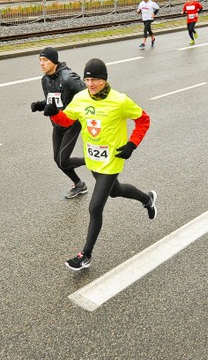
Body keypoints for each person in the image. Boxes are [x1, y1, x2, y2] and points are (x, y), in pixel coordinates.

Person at [45, 59, 156, 271]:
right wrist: (54, 113)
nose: (91, 84)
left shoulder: (120, 101)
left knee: (95, 207)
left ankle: (85, 254)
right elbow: (67, 120)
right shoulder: (80, 98)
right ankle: (147, 199)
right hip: (93, 159)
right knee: (116, 191)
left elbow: (143, 120)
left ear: (104, 79)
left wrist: (132, 144)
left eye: (95, 79)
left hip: (112, 160)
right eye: (87, 79)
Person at [30, 47, 88, 199]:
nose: (42, 64)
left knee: (63, 160)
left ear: (54, 61)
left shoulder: (68, 78)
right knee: (58, 160)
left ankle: (92, 161)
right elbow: (54, 100)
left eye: (45, 60)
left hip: (71, 123)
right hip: (57, 123)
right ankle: (79, 184)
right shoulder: (45, 80)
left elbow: (87, 95)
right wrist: (40, 105)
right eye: (40, 60)